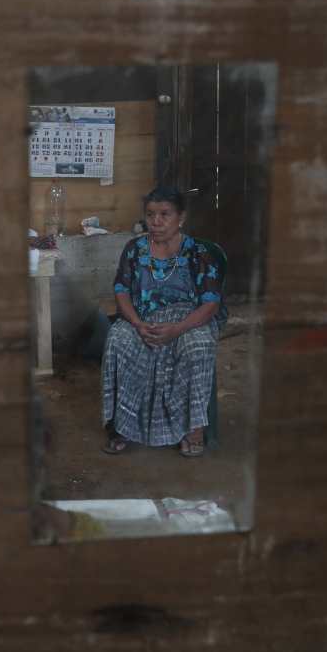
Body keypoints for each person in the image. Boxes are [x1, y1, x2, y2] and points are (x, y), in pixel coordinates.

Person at [101, 186, 226, 457]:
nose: (156, 222)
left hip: (188, 321)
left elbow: (210, 303)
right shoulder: (134, 249)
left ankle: (193, 429)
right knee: (118, 340)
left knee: (197, 347)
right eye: (150, 214)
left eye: (164, 214)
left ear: (181, 218)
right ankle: (123, 425)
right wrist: (137, 324)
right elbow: (121, 290)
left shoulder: (198, 253)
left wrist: (177, 329)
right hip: (143, 319)